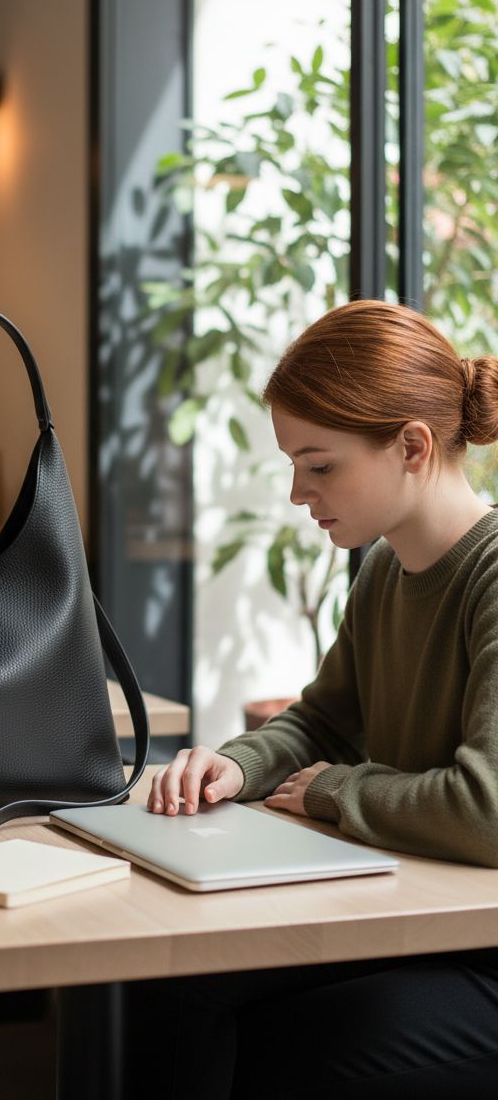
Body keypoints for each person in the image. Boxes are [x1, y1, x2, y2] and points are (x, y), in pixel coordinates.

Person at [129, 300, 498, 1099]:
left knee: (304, 1044)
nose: (299, 492)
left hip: (480, 941)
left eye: (319, 464)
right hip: (418, 908)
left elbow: (488, 807)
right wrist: (235, 768)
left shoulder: (493, 576)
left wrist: (335, 789)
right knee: (167, 983)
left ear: (412, 446)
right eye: (294, 464)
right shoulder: (382, 575)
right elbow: (325, 718)